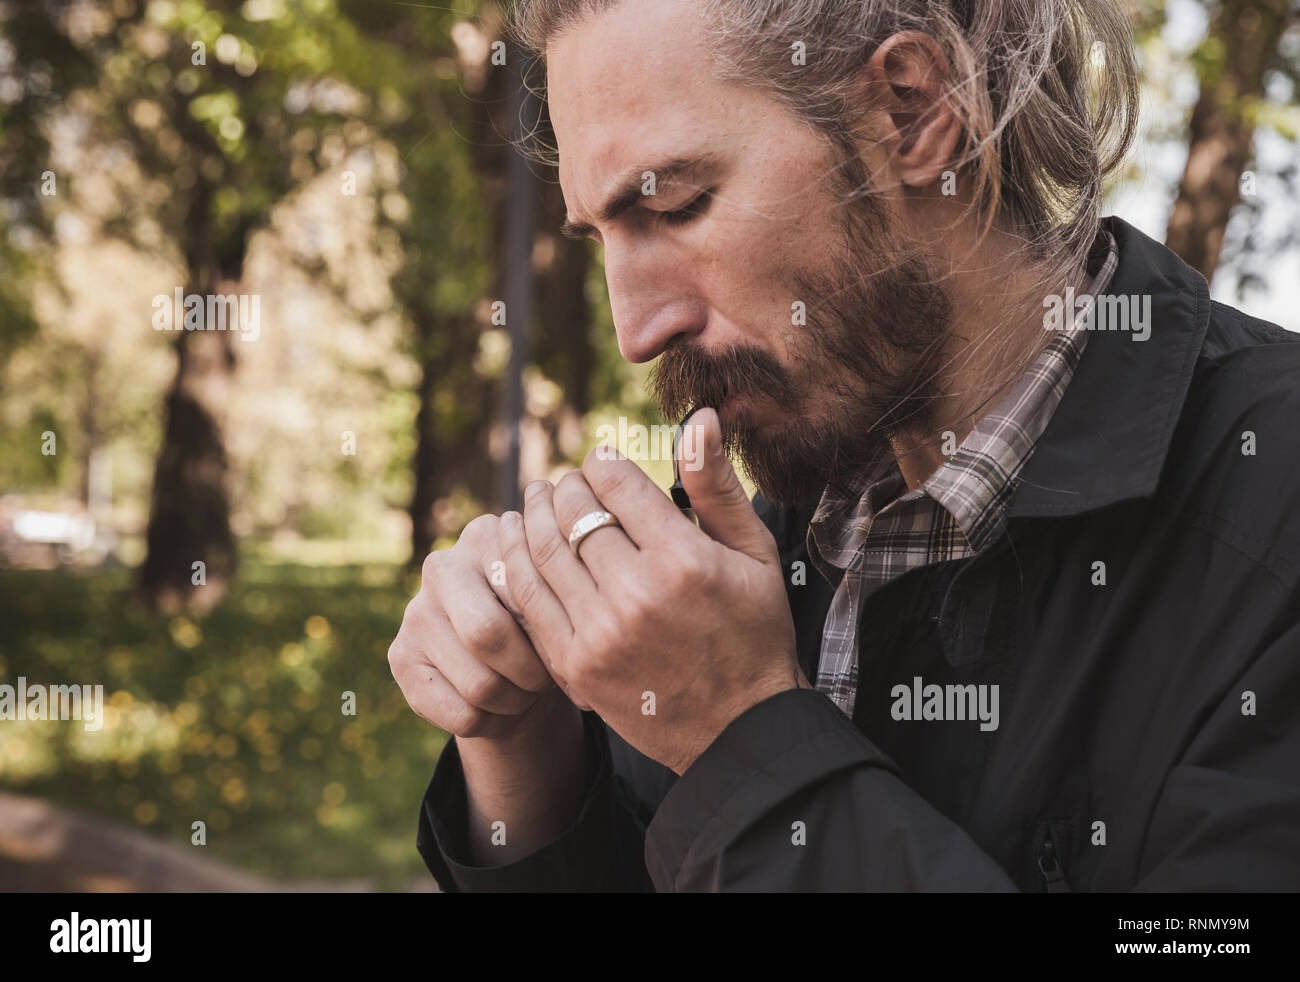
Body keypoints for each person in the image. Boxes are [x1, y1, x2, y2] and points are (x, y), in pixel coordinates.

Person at [388, 0, 1300, 891]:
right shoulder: (761, 528)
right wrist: (524, 755)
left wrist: (740, 736)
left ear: (912, 111)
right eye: (602, 236)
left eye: (675, 204)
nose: (635, 329)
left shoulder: (1273, 507)